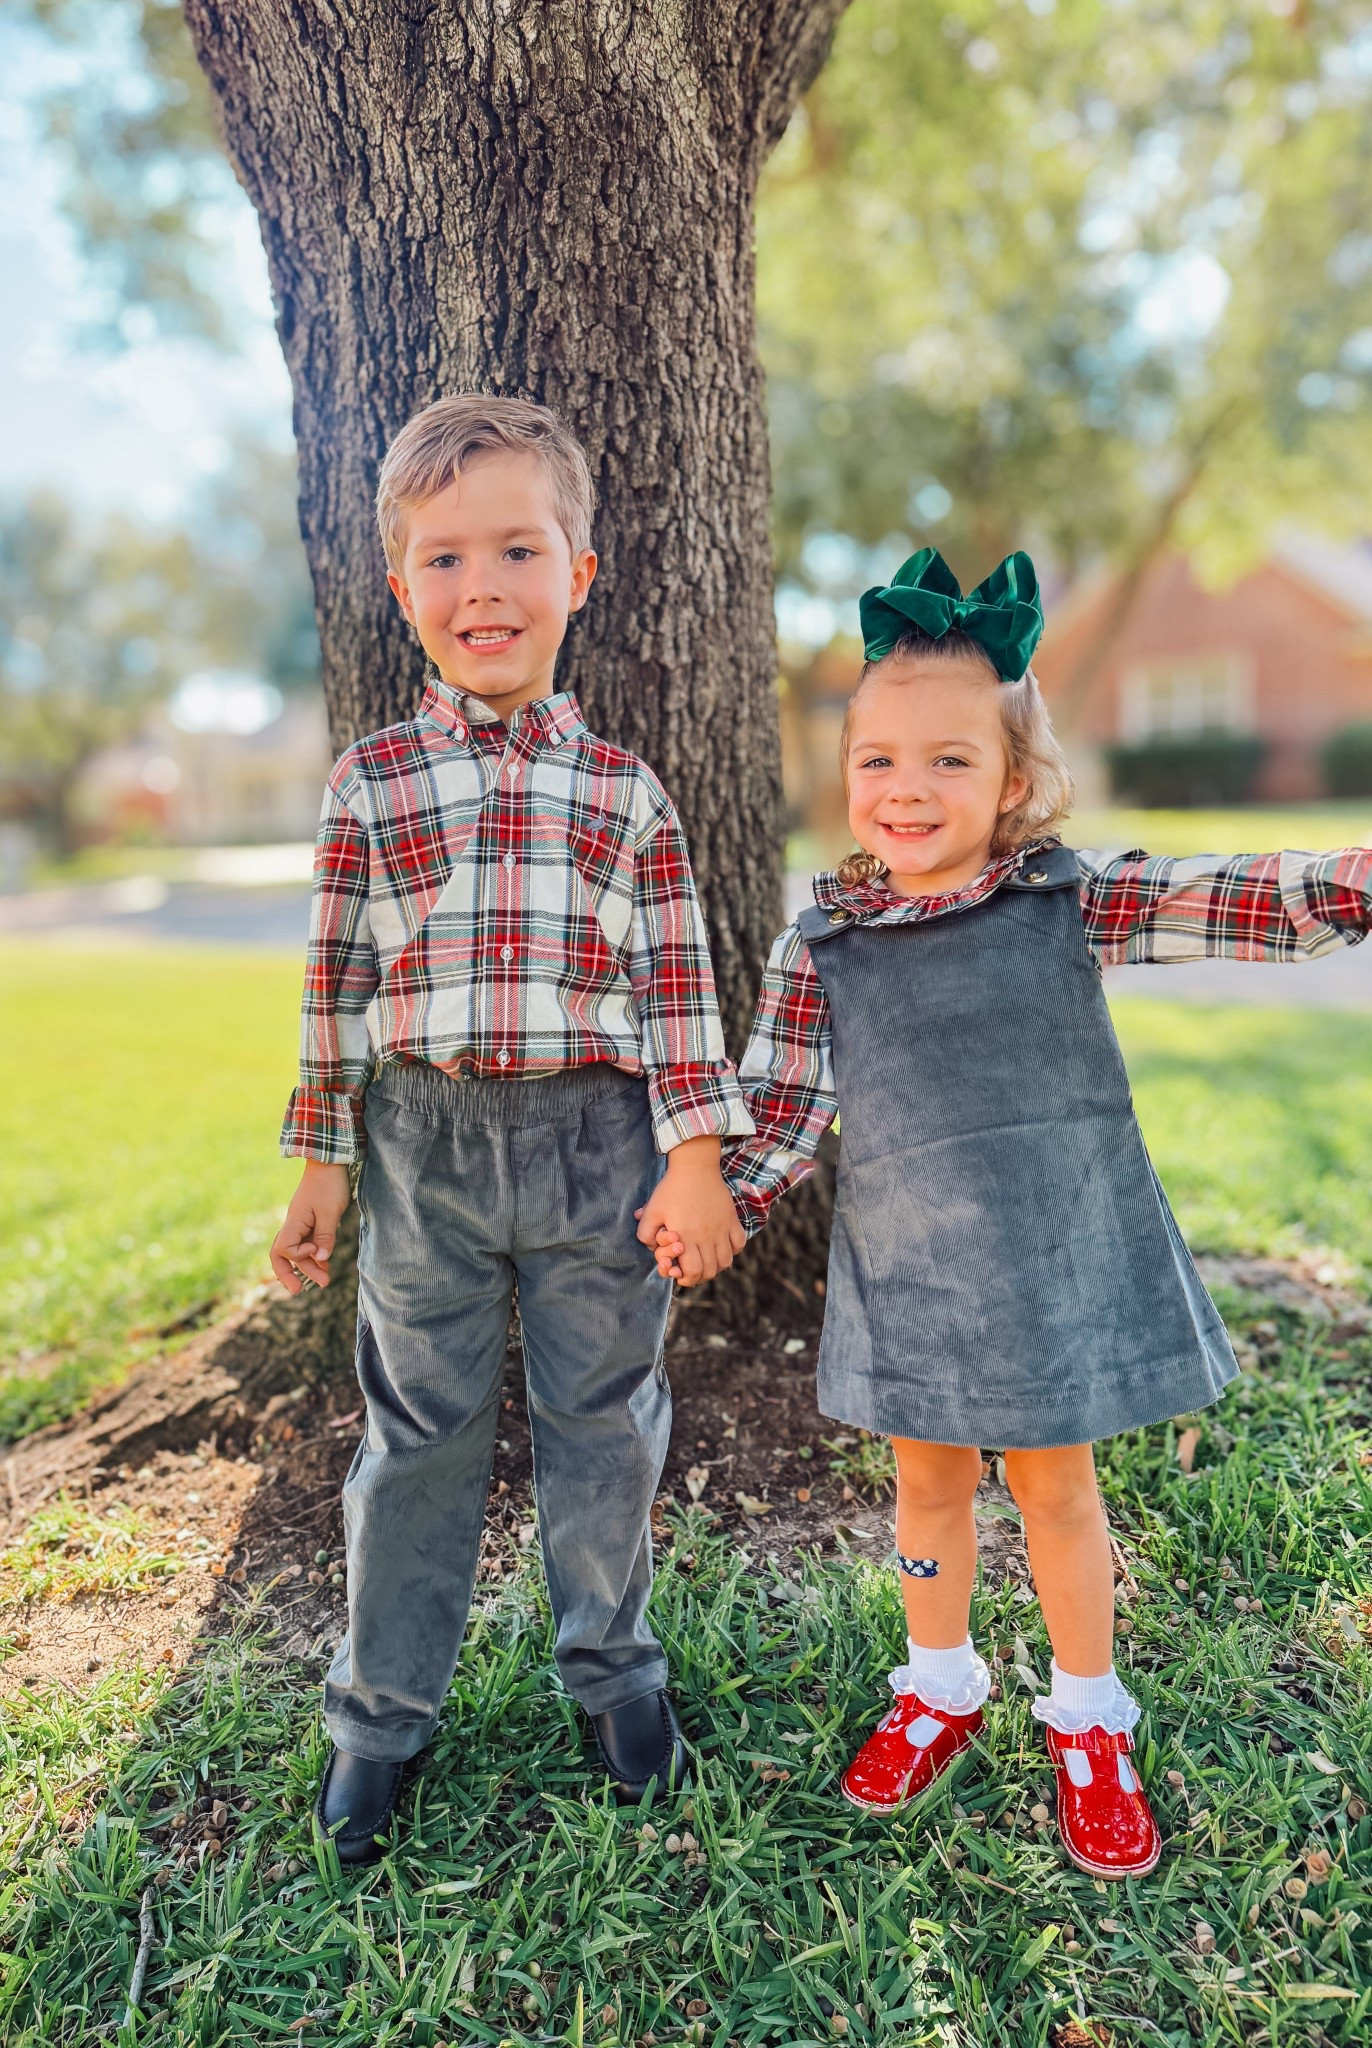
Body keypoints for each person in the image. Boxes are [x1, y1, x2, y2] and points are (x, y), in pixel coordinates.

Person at [653, 545, 1372, 1879]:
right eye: (879, 760)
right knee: (925, 1485)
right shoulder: (822, 944)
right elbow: (782, 1110)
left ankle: (1090, 1715)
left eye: (950, 760)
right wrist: (718, 1201)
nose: (908, 788)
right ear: (845, 772)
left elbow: (1218, 898)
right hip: (910, 1272)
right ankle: (940, 1682)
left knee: (1055, 1491)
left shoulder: (1064, 901)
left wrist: (1348, 880)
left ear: (1013, 782)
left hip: (1049, 1266)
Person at [270, 393, 750, 1865]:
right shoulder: (370, 784)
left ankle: (614, 1673)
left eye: (519, 551)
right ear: (401, 587)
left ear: (579, 574)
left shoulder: (626, 794)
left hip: (599, 1144)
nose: (483, 587)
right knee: (418, 1435)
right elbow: (337, 986)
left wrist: (694, 1158)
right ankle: (380, 1716)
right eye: (445, 558)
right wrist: (322, 1163)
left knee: (604, 1418)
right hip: (420, 1149)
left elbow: (677, 992)